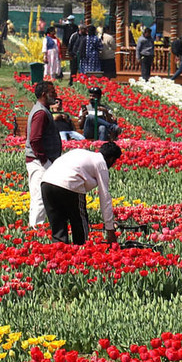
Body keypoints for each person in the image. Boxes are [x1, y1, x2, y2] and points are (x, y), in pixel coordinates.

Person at [40, 142, 123, 245]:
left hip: (46, 183)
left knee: (58, 226)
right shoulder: (101, 163)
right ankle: (81, 248)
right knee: (78, 222)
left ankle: (59, 252)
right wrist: (110, 230)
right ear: (111, 159)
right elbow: (105, 197)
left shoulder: (82, 153)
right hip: (70, 184)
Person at [26, 81, 64, 227]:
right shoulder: (41, 113)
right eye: (52, 92)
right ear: (44, 94)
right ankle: (36, 229)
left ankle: (36, 227)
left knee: (42, 196)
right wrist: (44, 160)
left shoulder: (42, 110)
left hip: (41, 160)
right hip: (39, 161)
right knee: (40, 197)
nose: (55, 95)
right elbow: (35, 139)